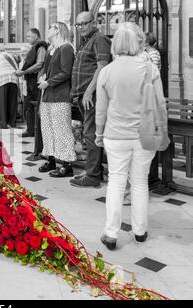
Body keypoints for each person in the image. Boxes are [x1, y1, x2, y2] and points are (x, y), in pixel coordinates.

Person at [95, 23, 165, 250]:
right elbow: (160, 104)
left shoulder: (107, 72)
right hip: (144, 135)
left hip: (115, 135)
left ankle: (111, 233)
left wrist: (98, 133)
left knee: (116, 181)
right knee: (140, 182)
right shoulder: (149, 69)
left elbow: (101, 110)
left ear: (115, 43)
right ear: (138, 42)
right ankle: (140, 231)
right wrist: (161, 129)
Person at [70, 11, 112, 189]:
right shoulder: (84, 41)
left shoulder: (99, 39)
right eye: (78, 24)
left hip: (92, 96)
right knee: (89, 133)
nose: (81, 27)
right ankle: (94, 170)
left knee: (91, 134)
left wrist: (88, 91)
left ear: (93, 23)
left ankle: (93, 176)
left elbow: (102, 67)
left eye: (84, 23)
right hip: (82, 95)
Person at [38, 22, 76, 178]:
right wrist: (43, 77)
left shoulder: (66, 48)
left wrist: (49, 82)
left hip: (60, 95)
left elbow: (66, 72)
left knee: (62, 130)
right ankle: (51, 159)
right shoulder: (51, 49)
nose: (47, 30)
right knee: (47, 129)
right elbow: (49, 70)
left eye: (50, 27)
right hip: (47, 94)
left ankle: (67, 165)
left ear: (58, 30)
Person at [15, 28, 46, 138]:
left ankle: (36, 131)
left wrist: (24, 71)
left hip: (36, 80)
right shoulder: (34, 47)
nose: (27, 38)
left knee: (35, 105)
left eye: (29, 36)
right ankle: (30, 129)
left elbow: (40, 64)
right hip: (30, 80)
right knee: (29, 106)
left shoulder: (41, 47)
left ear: (36, 36)